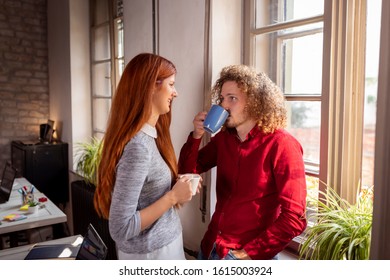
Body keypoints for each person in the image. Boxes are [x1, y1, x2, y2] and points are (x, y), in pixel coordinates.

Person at [178, 65, 307, 260]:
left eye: (232, 98)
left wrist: (247, 254)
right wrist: (196, 136)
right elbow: (188, 171)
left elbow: (295, 217)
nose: (224, 106)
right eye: (222, 98)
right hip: (209, 246)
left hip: (244, 255)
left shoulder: (283, 144)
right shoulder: (224, 139)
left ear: (255, 102)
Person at [94, 53, 194, 260]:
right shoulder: (138, 148)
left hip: (165, 247)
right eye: (171, 84)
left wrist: (178, 190)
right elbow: (120, 229)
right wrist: (173, 197)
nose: (176, 93)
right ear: (150, 86)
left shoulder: (151, 136)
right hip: (152, 256)